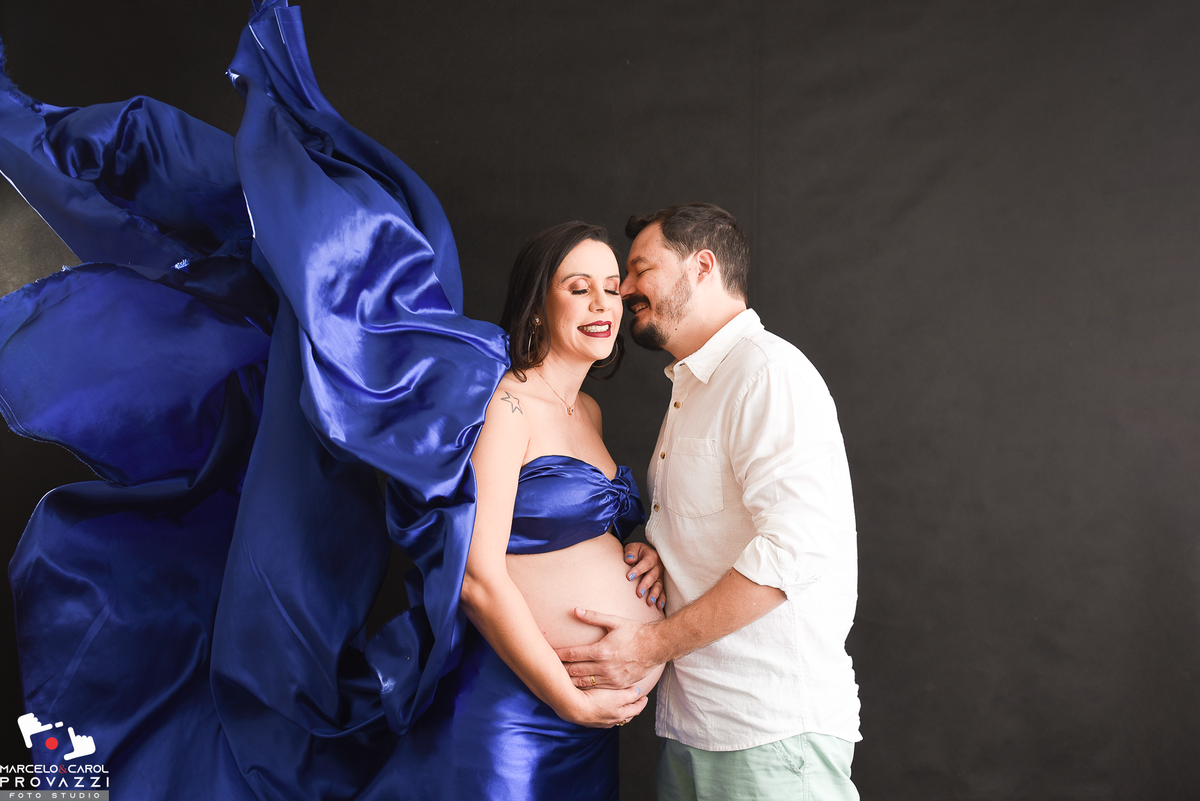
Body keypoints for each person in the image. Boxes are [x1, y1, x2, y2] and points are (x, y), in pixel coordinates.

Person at [0, 3, 658, 799]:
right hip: (520, 710)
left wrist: (644, 556)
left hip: (590, 726)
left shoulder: (591, 416)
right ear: (540, 303)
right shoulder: (502, 401)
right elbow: (479, 576)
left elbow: (575, 535)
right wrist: (569, 696)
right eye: (578, 286)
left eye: (612, 287)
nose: (602, 303)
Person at [555, 203, 861, 800]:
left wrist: (648, 645)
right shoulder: (695, 386)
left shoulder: (766, 374)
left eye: (641, 269)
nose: (625, 289)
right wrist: (658, 554)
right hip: (695, 728)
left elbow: (793, 551)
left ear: (701, 267)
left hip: (769, 733)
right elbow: (720, 530)